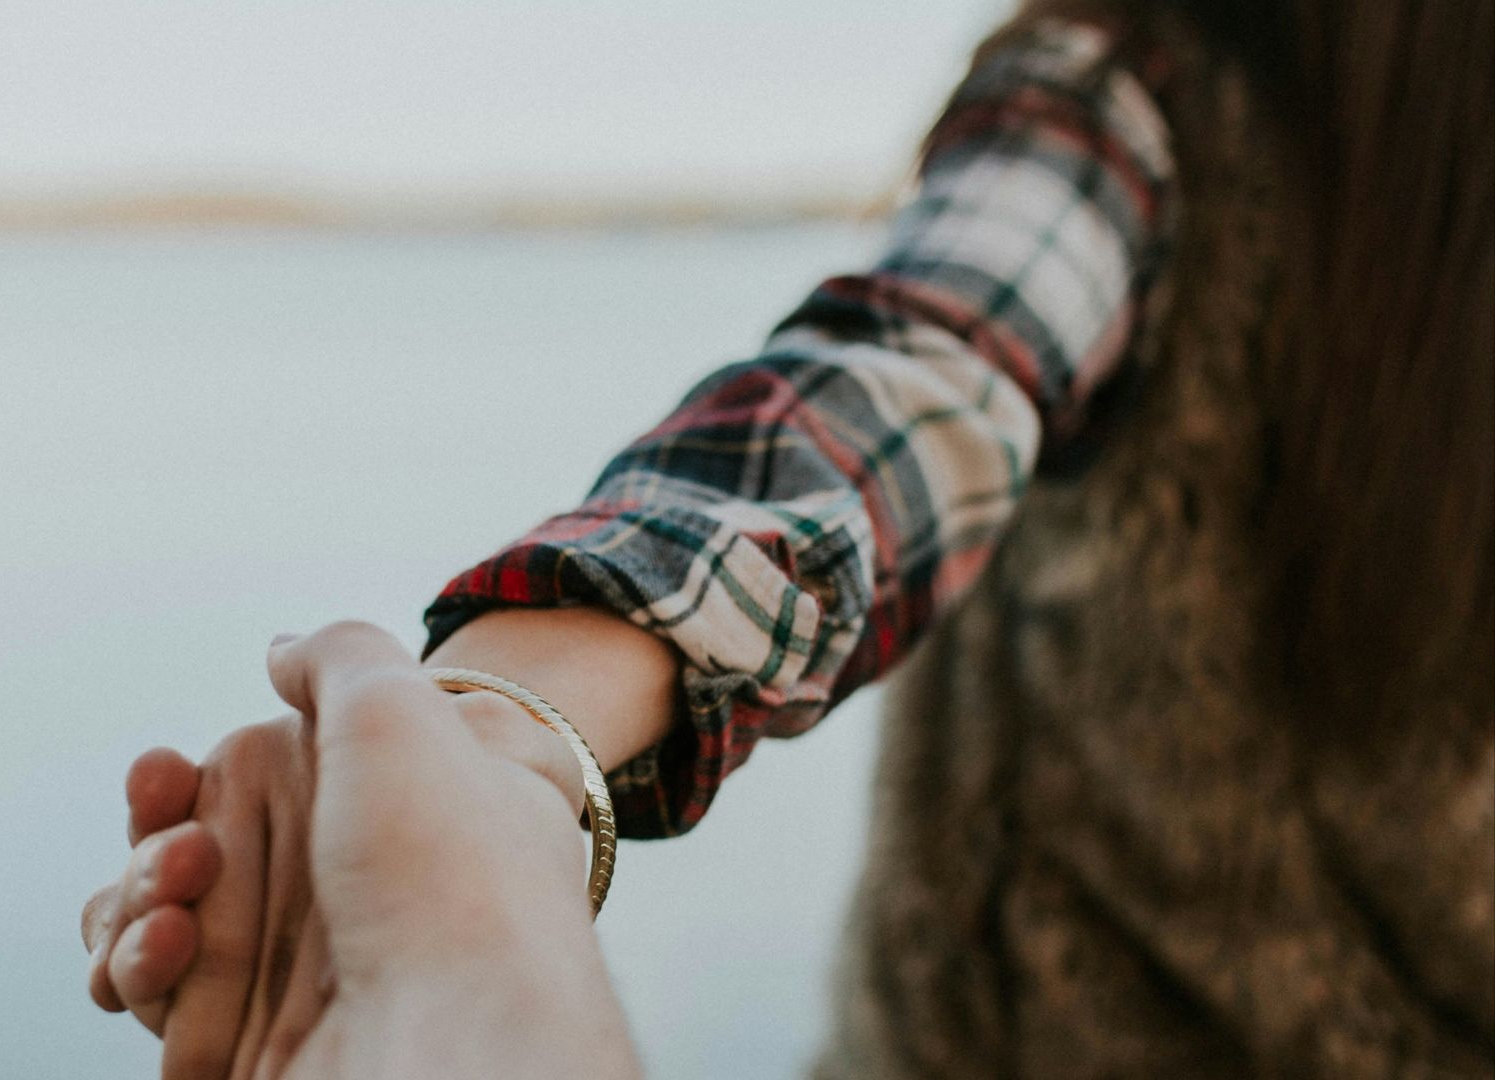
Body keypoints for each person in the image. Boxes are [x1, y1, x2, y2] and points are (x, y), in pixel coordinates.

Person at [81, 0, 1495, 1076]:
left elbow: (913, 373)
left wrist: (488, 774)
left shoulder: (1139, 91)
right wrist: (492, 749)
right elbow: (900, 379)